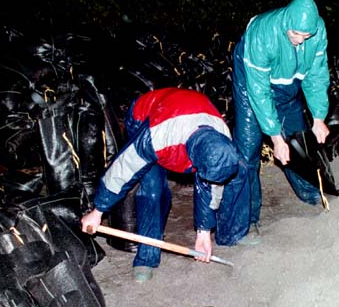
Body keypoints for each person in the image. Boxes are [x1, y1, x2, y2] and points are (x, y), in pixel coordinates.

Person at [81, 87, 250, 282]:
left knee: (235, 171)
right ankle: (146, 257)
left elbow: (210, 185)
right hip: (145, 117)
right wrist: (98, 210)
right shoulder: (157, 137)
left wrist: (203, 233)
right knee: (152, 189)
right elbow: (123, 168)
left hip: (186, 115)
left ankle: (231, 234)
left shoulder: (222, 136)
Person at [232, 0, 330, 242]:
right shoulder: (263, 34)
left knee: (297, 138)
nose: (299, 40)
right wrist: (275, 138)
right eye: (295, 34)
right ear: (287, 23)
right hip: (252, 83)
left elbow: (317, 75)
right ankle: (247, 220)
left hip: (287, 80)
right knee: (248, 149)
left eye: (305, 36)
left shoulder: (317, 33)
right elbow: (260, 92)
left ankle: (309, 192)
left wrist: (319, 117)